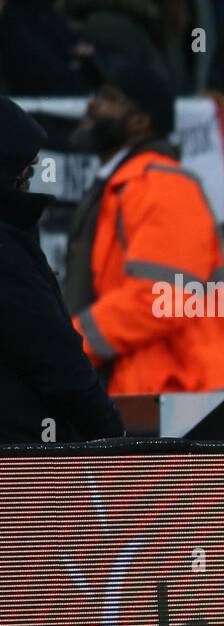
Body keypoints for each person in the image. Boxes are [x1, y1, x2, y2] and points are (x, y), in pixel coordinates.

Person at [62, 58, 224, 395]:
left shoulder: (163, 184)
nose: (93, 104)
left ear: (140, 122)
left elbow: (160, 299)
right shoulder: (124, 186)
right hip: (164, 399)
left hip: (189, 400)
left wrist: (66, 350)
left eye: (109, 98)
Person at [0, 96, 123, 443]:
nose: (33, 174)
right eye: (26, 168)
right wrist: (115, 439)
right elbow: (56, 361)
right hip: (26, 467)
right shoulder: (8, 255)